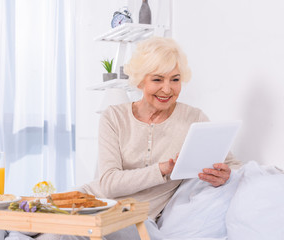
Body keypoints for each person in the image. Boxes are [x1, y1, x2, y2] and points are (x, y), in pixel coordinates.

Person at [37, 37, 242, 240]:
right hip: (88, 200)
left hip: (134, 219)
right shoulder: (114, 117)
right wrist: (162, 170)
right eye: (157, 79)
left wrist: (227, 175)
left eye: (175, 79)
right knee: (22, 224)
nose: (168, 89)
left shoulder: (193, 119)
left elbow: (233, 165)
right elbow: (108, 183)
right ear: (140, 80)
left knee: (58, 237)